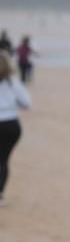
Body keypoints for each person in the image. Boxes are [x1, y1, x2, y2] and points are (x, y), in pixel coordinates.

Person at [0, 52, 32, 207]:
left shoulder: (13, 82)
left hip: (6, 123)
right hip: (11, 124)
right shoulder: (12, 83)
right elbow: (26, 103)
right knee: (3, 160)